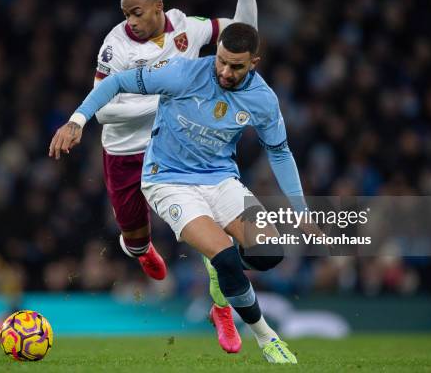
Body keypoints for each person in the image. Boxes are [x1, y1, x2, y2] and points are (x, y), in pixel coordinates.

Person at [50, 23, 321, 363]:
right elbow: (117, 82)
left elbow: (280, 153)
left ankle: (221, 283)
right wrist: (77, 120)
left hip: (221, 179)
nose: (225, 71)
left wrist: (300, 209)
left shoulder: (263, 99)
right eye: (221, 60)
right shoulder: (182, 73)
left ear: (254, 62)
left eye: (236, 66)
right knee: (225, 257)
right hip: (168, 180)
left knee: (269, 253)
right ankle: (267, 338)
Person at [87, 0, 258, 353]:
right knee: (133, 237)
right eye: (125, 14)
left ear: (158, 7)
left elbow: (243, 35)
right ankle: (141, 249)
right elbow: (103, 112)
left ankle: (221, 310)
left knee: (214, 236)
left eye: (136, 13)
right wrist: (165, 100)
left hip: (176, 148)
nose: (130, 21)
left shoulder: (186, 28)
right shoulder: (115, 47)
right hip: (125, 152)